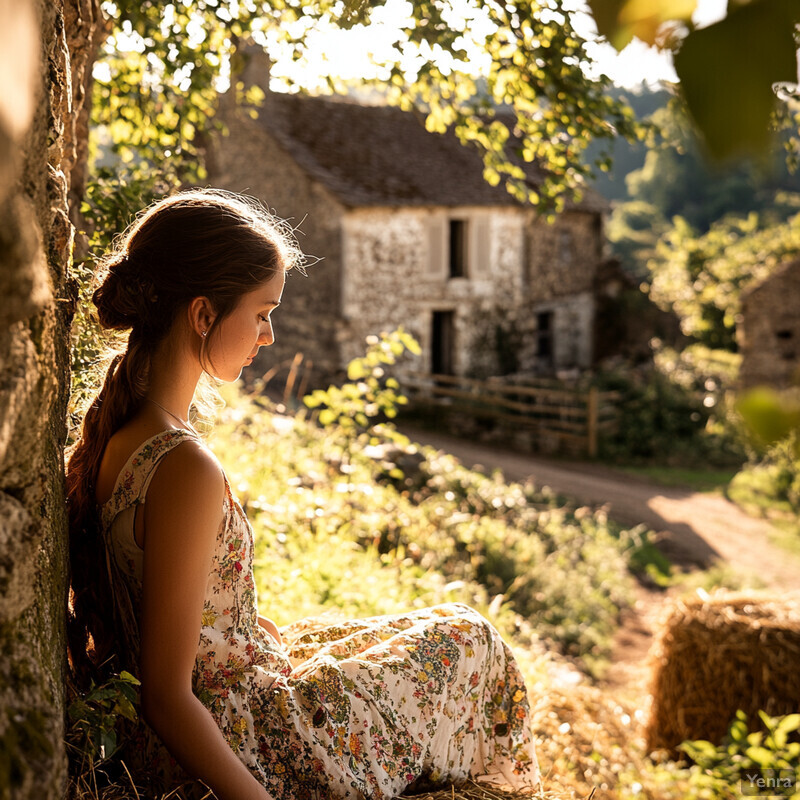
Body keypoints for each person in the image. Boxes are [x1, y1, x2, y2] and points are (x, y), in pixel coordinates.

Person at [65, 189, 542, 800]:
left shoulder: (125, 434)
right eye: (262, 313)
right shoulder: (182, 466)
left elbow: (173, 619)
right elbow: (166, 696)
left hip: (234, 693)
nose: (269, 335)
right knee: (471, 642)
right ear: (204, 314)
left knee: (437, 630)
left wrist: (238, 622)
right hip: (245, 733)